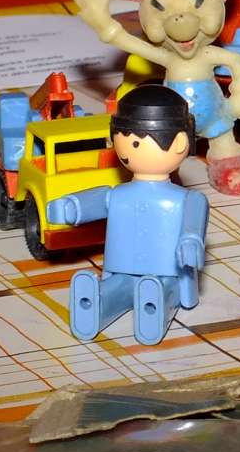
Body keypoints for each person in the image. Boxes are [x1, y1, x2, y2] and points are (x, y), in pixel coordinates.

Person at [47, 85, 208, 344]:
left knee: (160, 290)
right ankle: (93, 305)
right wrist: (72, 207)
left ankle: (152, 311)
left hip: (168, 272)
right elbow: (100, 199)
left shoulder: (188, 199)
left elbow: (193, 226)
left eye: (134, 142)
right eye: (121, 140)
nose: (125, 151)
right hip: (121, 269)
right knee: (115, 290)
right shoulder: (119, 194)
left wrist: (190, 242)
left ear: (179, 142)